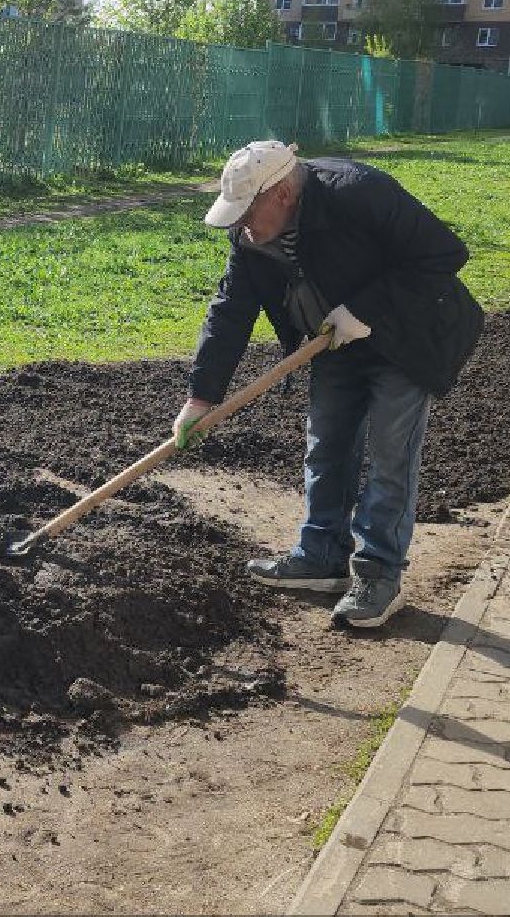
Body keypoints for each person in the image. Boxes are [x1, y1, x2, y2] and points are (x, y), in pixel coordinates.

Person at [174, 140, 482, 629]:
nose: (241, 226)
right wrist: (200, 397)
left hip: (407, 334)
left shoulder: (360, 194)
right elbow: (229, 313)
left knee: (389, 453)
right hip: (335, 339)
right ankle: (321, 556)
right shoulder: (251, 235)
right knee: (327, 447)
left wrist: (366, 310)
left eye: (247, 212)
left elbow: (445, 253)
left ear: (280, 195)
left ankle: (379, 572)